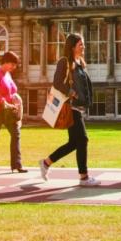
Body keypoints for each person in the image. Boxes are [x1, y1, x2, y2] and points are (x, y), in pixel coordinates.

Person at [39, 33, 99, 186]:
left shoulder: (80, 63)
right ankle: (84, 177)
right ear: (72, 47)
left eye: (83, 44)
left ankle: (46, 162)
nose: (83, 47)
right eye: (81, 44)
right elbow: (57, 82)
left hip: (78, 107)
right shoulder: (64, 62)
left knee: (74, 142)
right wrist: (70, 92)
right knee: (83, 139)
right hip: (70, 106)